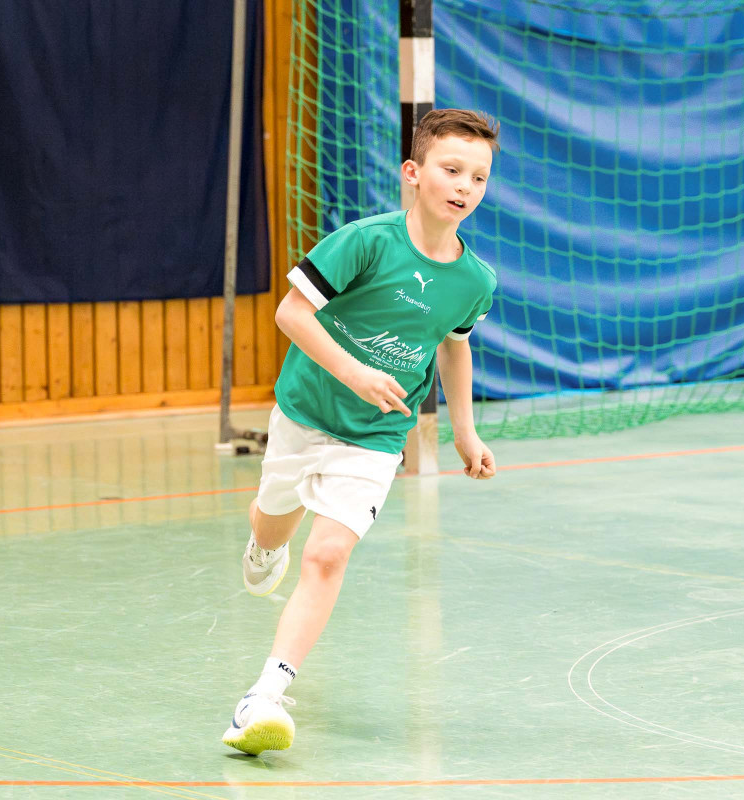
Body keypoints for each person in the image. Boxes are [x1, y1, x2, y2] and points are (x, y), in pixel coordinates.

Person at [222, 109, 500, 755]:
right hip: (305, 410)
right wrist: (354, 372)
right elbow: (291, 313)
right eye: (451, 169)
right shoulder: (366, 242)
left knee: (326, 555)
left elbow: (454, 345)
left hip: (377, 435)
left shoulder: (475, 281)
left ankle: (265, 694)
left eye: (479, 177)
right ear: (414, 173)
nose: (464, 186)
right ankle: (264, 542)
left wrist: (465, 431)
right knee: (274, 524)